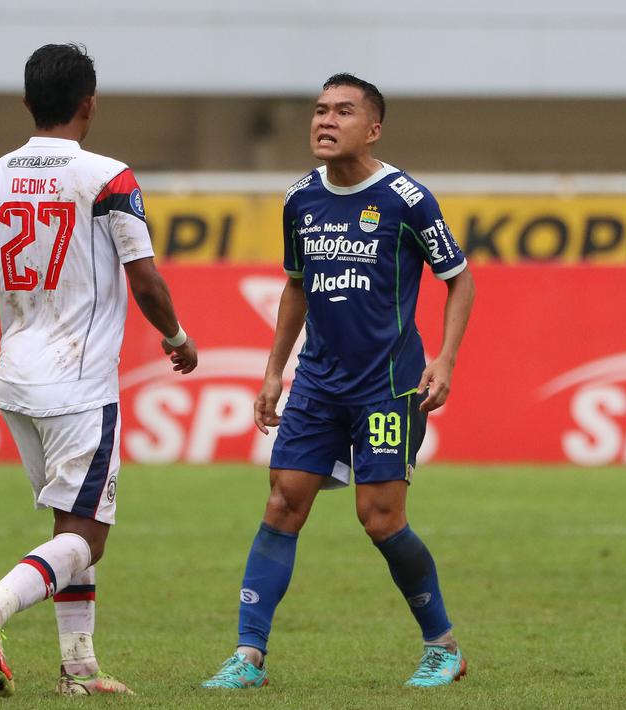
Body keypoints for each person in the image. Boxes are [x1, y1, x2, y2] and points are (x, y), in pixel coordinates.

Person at [0, 43, 197, 697]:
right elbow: (144, 277)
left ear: (26, 103)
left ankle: (78, 669)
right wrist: (177, 336)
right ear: (89, 104)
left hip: (15, 379)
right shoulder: (108, 177)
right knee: (88, 537)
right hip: (79, 381)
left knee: (69, 525)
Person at [201, 73, 476, 690]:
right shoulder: (301, 200)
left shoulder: (407, 199)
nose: (325, 121)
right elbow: (296, 286)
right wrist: (275, 370)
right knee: (282, 502)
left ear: (372, 128)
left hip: (388, 385)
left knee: (379, 518)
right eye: (320, 111)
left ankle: (443, 646)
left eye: (343, 112)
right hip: (319, 383)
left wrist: (447, 361)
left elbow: (459, 278)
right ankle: (248, 655)